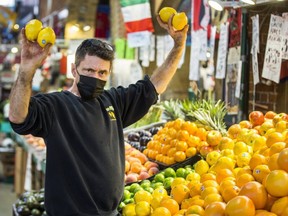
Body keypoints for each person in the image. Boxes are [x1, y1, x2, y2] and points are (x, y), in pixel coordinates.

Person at [9, 15, 188, 216]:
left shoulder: (113, 101)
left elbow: (153, 87)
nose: (95, 77)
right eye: (89, 70)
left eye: (102, 73)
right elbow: (18, 117)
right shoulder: (55, 106)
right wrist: (26, 70)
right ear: (74, 70)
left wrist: (179, 45)